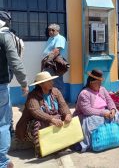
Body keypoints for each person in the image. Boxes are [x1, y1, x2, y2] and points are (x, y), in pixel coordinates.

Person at [15, 71, 72, 157]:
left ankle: (60, 144)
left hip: (53, 119)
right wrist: (52, 119)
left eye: (51, 80)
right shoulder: (32, 96)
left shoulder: (56, 91)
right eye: (49, 81)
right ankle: (42, 149)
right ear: (41, 84)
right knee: (38, 123)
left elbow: (63, 105)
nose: (52, 82)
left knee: (67, 119)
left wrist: (67, 114)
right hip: (37, 122)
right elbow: (36, 111)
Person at [0, 11, 29, 168]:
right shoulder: (5, 36)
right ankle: (2, 162)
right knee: (3, 123)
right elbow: (15, 62)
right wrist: (24, 83)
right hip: (1, 86)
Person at [74, 69, 119, 152]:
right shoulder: (84, 93)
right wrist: (103, 113)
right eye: (98, 82)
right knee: (93, 119)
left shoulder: (102, 89)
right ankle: (93, 142)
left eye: (100, 82)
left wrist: (113, 110)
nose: (100, 84)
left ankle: (115, 138)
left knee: (117, 114)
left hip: (103, 113)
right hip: (86, 116)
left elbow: (109, 100)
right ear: (91, 82)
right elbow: (87, 110)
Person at [42, 23, 67, 95]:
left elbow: (56, 51)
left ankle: (60, 101)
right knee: (50, 82)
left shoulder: (60, 38)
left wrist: (47, 60)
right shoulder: (50, 38)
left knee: (57, 82)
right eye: (49, 30)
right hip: (49, 63)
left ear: (58, 31)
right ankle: (53, 100)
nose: (50, 32)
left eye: (53, 30)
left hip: (55, 63)